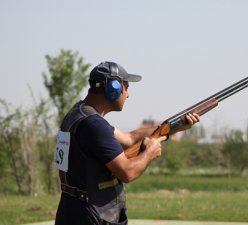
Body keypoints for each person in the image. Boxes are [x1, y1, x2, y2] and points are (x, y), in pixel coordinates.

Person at [54, 61, 200, 225]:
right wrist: (149, 153)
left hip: (74, 210)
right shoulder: (94, 125)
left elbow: (128, 139)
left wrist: (175, 127)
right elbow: (127, 172)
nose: (128, 94)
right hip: (91, 216)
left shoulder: (80, 113)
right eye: (126, 87)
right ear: (113, 88)